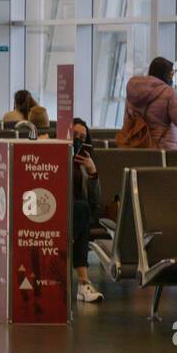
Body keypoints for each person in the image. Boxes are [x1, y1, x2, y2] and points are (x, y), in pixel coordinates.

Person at [124, 58, 177, 149]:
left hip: (137, 145)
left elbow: (128, 120)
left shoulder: (133, 91)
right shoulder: (168, 93)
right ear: (165, 74)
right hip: (163, 148)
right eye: (171, 75)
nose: (172, 79)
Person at [68, 118, 104, 304]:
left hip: (77, 215)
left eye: (82, 137)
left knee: (82, 209)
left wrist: (92, 172)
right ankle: (83, 283)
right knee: (82, 212)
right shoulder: (53, 156)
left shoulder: (85, 164)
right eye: (74, 136)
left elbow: (96, 202)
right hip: (55, 212)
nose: (78, 141)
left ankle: (82, 282)